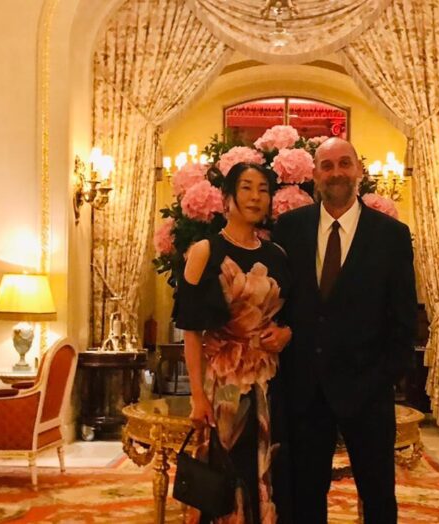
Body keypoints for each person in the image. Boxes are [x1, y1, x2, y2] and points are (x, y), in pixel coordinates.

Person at [271, 137, 417, 524]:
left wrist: (381, 377)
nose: (336, 173)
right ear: (314, 175)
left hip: (367, 390)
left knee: (378, 496)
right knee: (302, 498)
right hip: (304, 391)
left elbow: (404, 321)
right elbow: (277, 303)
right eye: (327, 165)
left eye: (344, 163)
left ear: (359, 171)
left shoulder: (392, 236)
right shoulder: (289, 229)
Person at [175, 162, 293, 523]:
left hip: (272, 383)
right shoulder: (205, 252)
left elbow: (293, 317)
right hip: (223, 383)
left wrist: (288, 334)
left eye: (263, 189)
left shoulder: (277, 256)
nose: (256, 196)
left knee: (270, 471)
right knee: (226, 475)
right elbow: (191, 330)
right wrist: (197, 396)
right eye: (246, 187)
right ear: (227, 197)